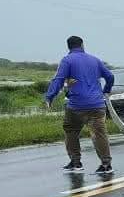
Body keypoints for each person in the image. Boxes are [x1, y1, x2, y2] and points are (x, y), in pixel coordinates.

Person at [44, 35, 116, 174]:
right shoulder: (95, 60)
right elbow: (110, 77)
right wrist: (106, 90)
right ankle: (106, 165)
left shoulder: (67, 60)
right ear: (82, 45)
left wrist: (49, 97)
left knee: (71, 130)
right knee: (99, 134)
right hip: (97, 105)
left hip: (77, 105)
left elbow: (58, 80)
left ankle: (76, 163)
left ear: (69, 47)